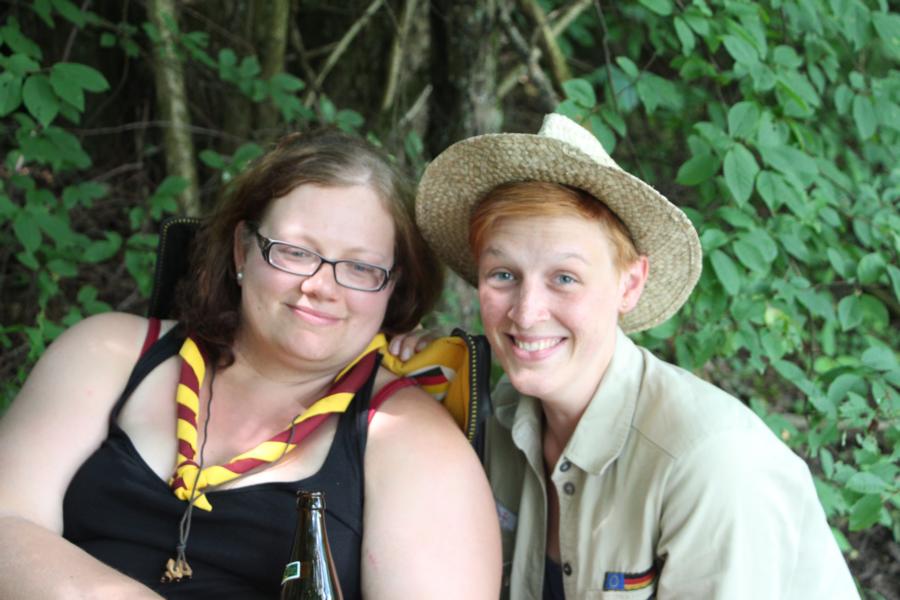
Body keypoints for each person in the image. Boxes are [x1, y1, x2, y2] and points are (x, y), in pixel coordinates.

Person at [0, 129, 501, 599]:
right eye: (295, 252)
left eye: (360, 267)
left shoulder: (412, 438)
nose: (321, 286)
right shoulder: (108, 353)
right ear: (242, 250)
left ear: (392, 286)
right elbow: (8, 523)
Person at [399, 113, 859, 599]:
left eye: (565, 278)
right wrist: (414, 391)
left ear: (630, 283)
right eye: (504, 275)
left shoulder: (712, 464)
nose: (527, 312)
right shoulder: (497, 421)